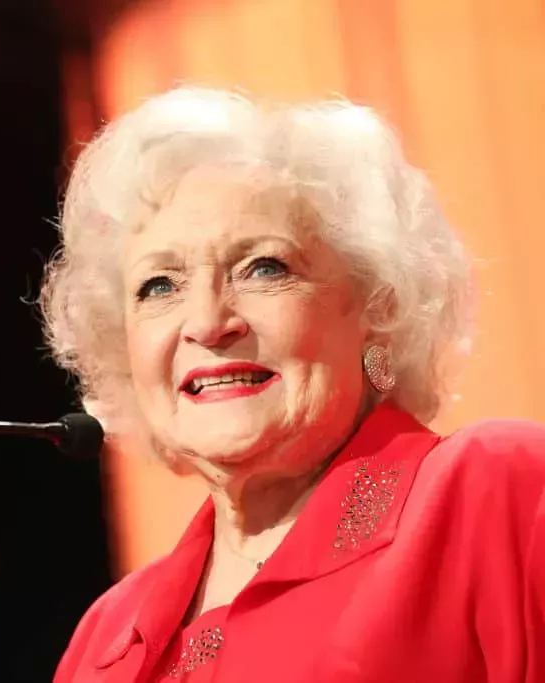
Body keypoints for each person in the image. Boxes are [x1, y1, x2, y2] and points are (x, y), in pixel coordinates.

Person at [39, 87, 545, 682]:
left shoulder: (490, 491)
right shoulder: (106, 635)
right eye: (159, 286)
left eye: (263, 268)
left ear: (377, 307)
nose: (207, 322)